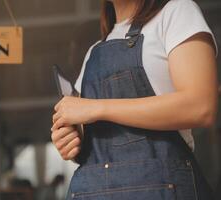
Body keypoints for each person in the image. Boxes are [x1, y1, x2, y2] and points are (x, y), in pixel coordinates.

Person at [51, 0, 219, 199]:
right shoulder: (93, 53)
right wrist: (67, 140)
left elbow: (199, 107)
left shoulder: (176, 12)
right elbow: (86, 137)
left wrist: (97, 108)